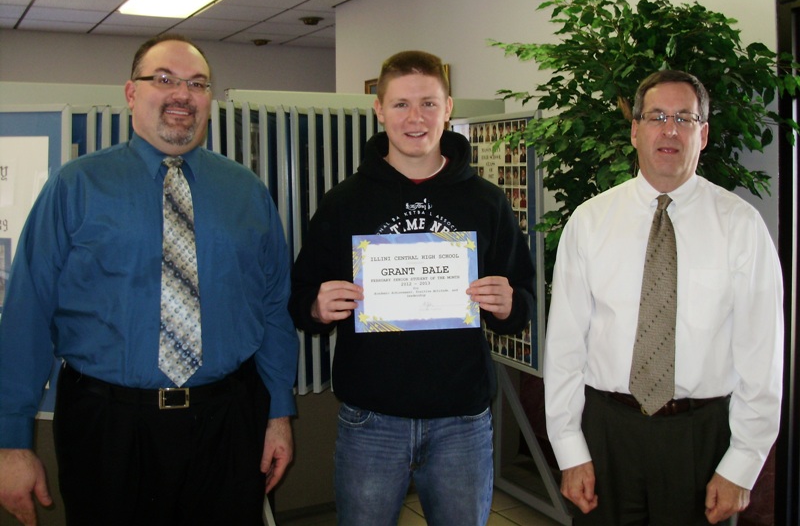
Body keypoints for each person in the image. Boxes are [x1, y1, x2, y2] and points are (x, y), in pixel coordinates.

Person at [0, 34, 298, 526]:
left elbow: (272, 308)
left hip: (227, 422)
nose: (182, 94)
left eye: (197, 84)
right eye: (164, 79)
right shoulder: (76, 186)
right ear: (131, 92)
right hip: (107, 428)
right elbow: (27, 311)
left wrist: (279, 414)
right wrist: (11, 441)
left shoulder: (245, 191)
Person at [289, 50, 535, 525]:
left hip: (462, 419)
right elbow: (300, 298)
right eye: (401, 104)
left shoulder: (486, 202)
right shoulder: (344, 202)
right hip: (371, 419)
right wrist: (317, 308)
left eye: (428, 103)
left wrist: (509, 305)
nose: (415, 118)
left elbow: (522, 297)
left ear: (448, 109)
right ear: (379, 110)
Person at [543, 70, 783, 525]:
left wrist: (742, 465)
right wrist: (570, 449)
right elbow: (565, 347)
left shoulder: (741, 226)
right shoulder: (590, 221)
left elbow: (762, 358)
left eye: (684, 118)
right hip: (608, 433)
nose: (669, 130)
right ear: (635, 130)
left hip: (699, 439)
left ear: (703, 134)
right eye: (656, 117)